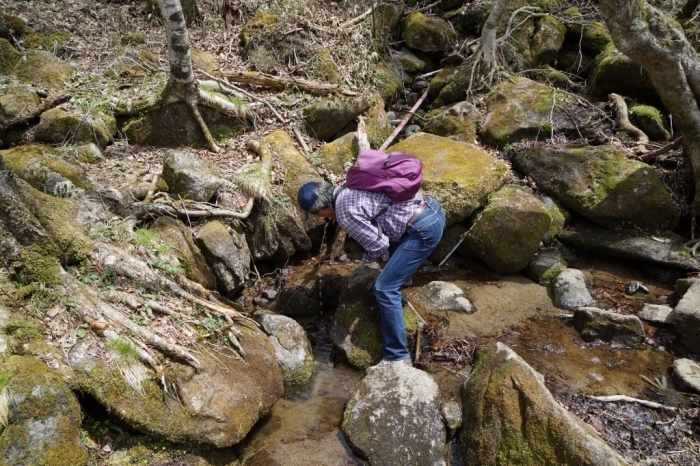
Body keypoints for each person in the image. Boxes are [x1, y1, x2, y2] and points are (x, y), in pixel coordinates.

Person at [297, 181, 445, 372]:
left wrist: (370, 263)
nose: (321, 218)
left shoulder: (344, 212)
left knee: (384, 288)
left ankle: (397, 357)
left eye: (317, 215)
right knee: (390, 271)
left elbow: (379, 245)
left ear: (322, 209)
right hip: (432, 208)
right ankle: (402, 277)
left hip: (423, 228)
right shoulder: (349, 187)